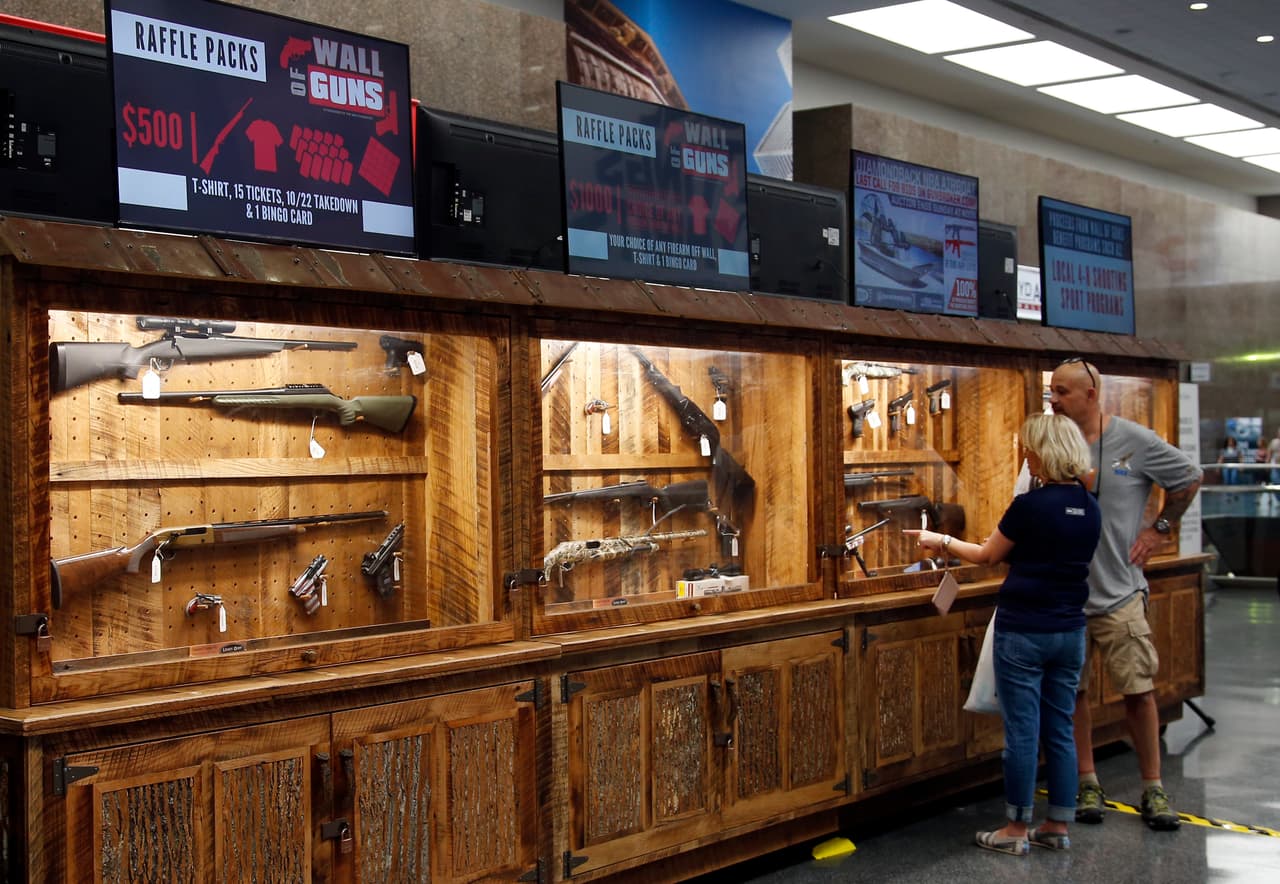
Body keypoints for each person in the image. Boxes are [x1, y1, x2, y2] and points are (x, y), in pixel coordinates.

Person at [907, 413, 1101, 856]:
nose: (1026, 459)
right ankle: (1057, 825)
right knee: (1059, 729)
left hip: (1024, 630)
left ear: (1043, 453)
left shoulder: (1030, 506)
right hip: (1070, 630)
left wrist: (939, 540)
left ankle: (1015, 829)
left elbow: (987, 555)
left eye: (1029, 451)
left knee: (1021, 732)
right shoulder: (1090, 506)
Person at [1048, 358, 1202, 831]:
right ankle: (1087, 781)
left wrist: (1158, 530)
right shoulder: (1056, 443)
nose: (1053, 400)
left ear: (1092, 395)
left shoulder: (1135, 442)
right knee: (1074, 695)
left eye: (1062, 392)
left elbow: (1189, 477)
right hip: (1068, 601)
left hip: (1120, 596)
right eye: (1050, 392)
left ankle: (1153, 786)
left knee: (1139, 693)